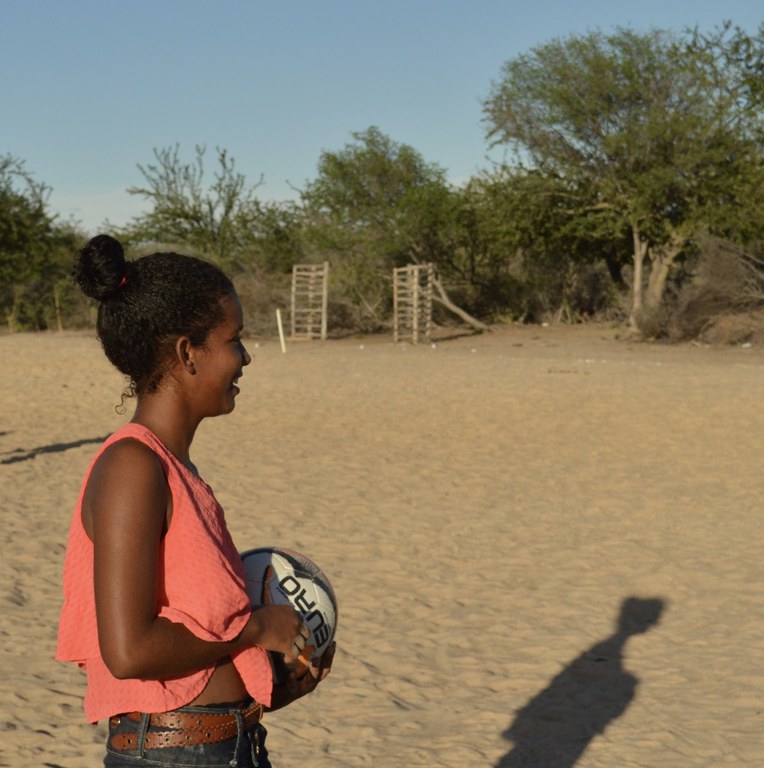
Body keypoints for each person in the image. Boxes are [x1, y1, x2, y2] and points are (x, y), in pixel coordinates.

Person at [56, 234, 334, 767]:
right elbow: (130, 650)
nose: (245, 357)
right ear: (187, 353)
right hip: (173, 754)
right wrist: (258, 627)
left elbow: (194, 654)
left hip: (223, 744)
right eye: (235, 339)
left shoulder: (173, 467)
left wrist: (273, 686)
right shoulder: (133, 467)